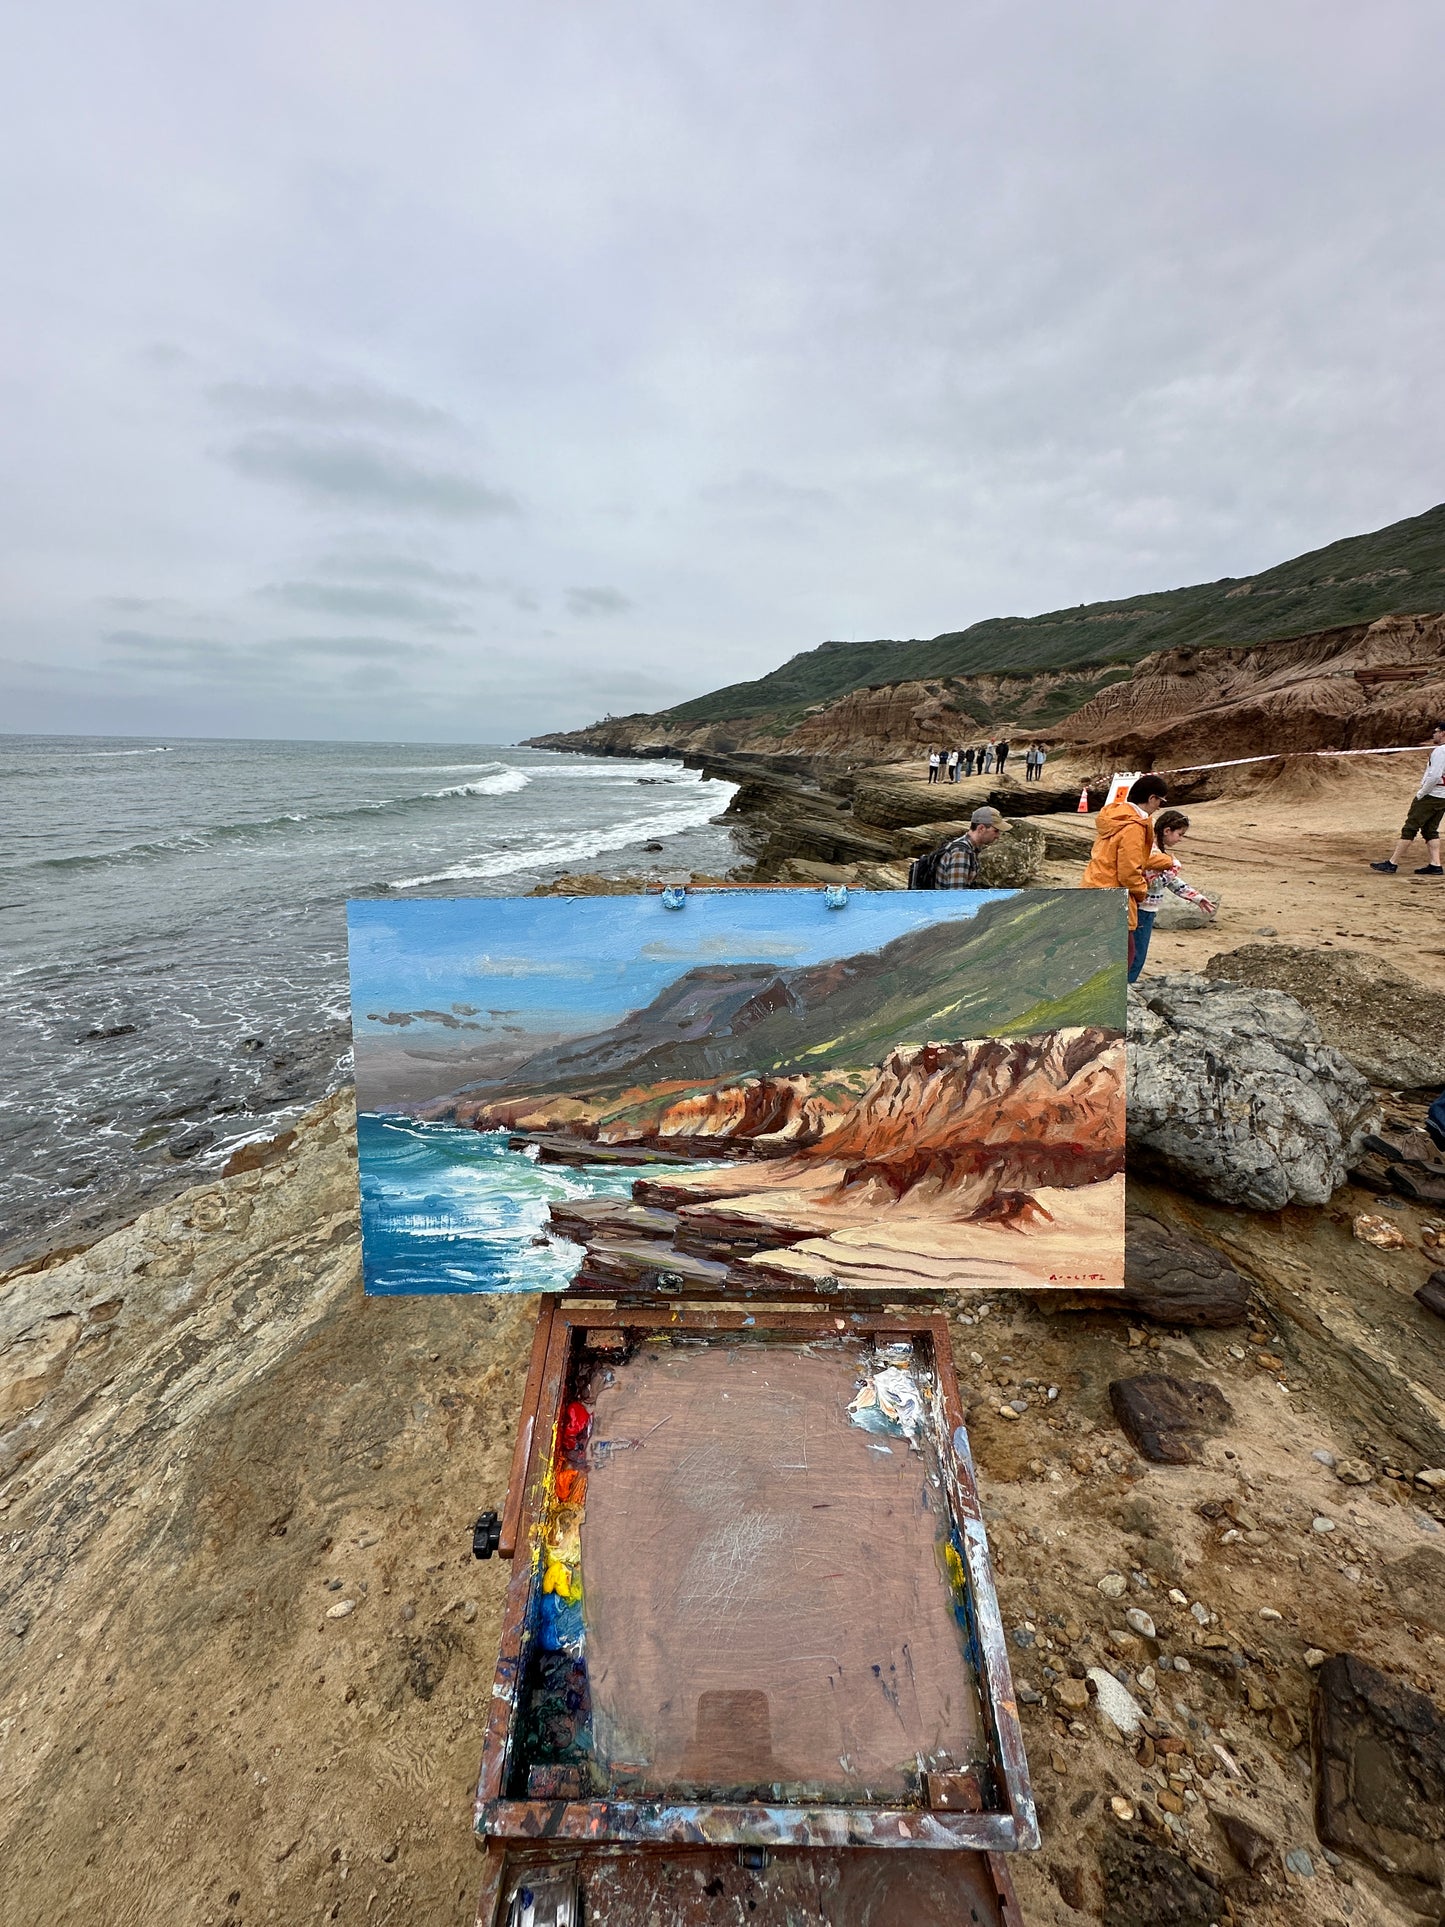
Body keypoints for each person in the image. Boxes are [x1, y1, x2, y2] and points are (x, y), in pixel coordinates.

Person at [1081, 773, 1171, 974]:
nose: (1159, 807)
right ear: (1152, 798)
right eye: (1161, 801)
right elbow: (1129, 871)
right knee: (1123, 956)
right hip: (1114, 895)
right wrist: (1141, 892)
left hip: (1093, 886)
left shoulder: (1115, 818)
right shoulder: (1134, 826)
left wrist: (1166, 861)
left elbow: (1128, 857)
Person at [1129, 809, 1217, 982]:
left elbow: (1170, 881)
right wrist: (1174, 867)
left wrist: (1195, 897)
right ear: (1167, 831)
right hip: (1141, 909)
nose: (1180, 839)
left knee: (1136, 954)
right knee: (1136, 956)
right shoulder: (1153, 852)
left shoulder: (1159, 852)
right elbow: (1153, 882)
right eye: (1179, 834)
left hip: (1146, 909)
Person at [1371, 721, 1445, 875]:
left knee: (1410, 828)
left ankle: (1392, 862)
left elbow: (1435, 776)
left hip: (1432, 795)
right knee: (1430, 830)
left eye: (1436, 731)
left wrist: (1422, 792)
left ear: (1443, 733)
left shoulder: (1440, 751)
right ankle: (1435, 865)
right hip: (1442, 796)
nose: (1434, 734)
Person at [933, 806, 1006, 887]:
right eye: (996, 831)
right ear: (981, 828)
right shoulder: (961, 853)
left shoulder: (970, 848)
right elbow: (956, 894)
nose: (998, 836)